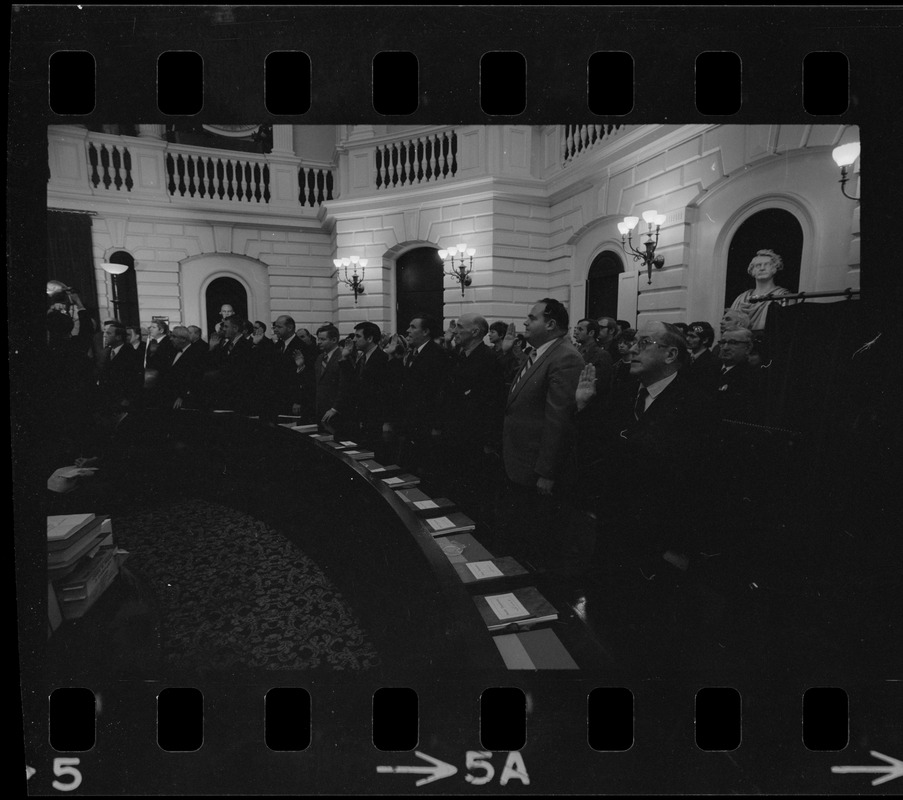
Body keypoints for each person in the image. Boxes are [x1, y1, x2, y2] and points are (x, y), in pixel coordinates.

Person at [575, 322, 717, 574]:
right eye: (633, 343)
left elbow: (698, 481)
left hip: (658, 540)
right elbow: (599, 448)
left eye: (643, 343)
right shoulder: (624, 393)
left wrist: (678, 547)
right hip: (613, 526)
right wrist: (585, 407)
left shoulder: (696, 405)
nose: (631, 349)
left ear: (671, 354)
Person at [497, 298, 583, 566]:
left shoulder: (565, 356)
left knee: (537, 541)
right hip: (520, 461)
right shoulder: (540, 352)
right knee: (521, 534)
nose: (525, 322)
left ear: (551, 323)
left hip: (535, 467)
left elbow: (558, 419)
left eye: (532, 318)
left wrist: (547, 471)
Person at [436, 313, 506, 510]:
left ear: (475, 332)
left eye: (459, 327)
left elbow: (493, 404)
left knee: (473, 497)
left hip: (475, 441)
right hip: (456, 436)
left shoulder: (489, 359)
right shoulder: (461, 355)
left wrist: (489, 442)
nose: (454, 331)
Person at [395, 314, 450, 473]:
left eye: (413, 327)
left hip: (426, 423)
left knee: (424, 468)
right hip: (412, 421)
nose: (408, 330)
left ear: (425, 331)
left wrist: (436, 424)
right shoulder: (413, 353)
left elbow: (440, 391)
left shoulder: (436, 353)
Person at [314, 324, 345, 431]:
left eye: (323, 339)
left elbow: (344, 386)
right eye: (318, 339)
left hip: (336, 411)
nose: (318, 342)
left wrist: (335, 408)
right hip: (321, 409)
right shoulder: (320, 358)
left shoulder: (343, 357)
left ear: (334, 340)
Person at [684, 321, 720, 388]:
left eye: (692, 336)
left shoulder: (713, 362)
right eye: (687, 335)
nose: (687, 339)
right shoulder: (684, 358)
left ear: (705, 340)